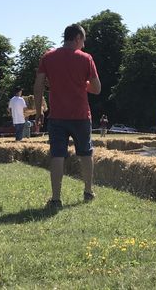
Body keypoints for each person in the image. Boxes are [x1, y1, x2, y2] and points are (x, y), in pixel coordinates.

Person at [34, 23, 101, 209]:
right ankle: (88, 191)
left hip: (56, 116)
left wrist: (39, 113)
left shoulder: (48, 57)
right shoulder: (86, 58)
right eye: (83, 41)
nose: (84, 46)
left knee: (57, 155)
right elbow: (97, 89)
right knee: (86, 153)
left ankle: (56, 198)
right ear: (78, 38)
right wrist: (82, 83)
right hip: (80, 115)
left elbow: (38, 87)